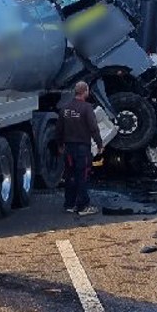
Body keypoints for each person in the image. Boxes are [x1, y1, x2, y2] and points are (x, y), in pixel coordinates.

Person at [58, 81, 104, 215]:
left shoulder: (65, 109)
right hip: (82, 149)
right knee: (82, 176)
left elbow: (59, 129)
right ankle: (83, 206)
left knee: (70, 176)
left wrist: (60, 145)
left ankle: (69, 204)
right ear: (85, 92)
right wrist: (99, 144)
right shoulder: (87, 108)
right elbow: (93, 128)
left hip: (68, 149)